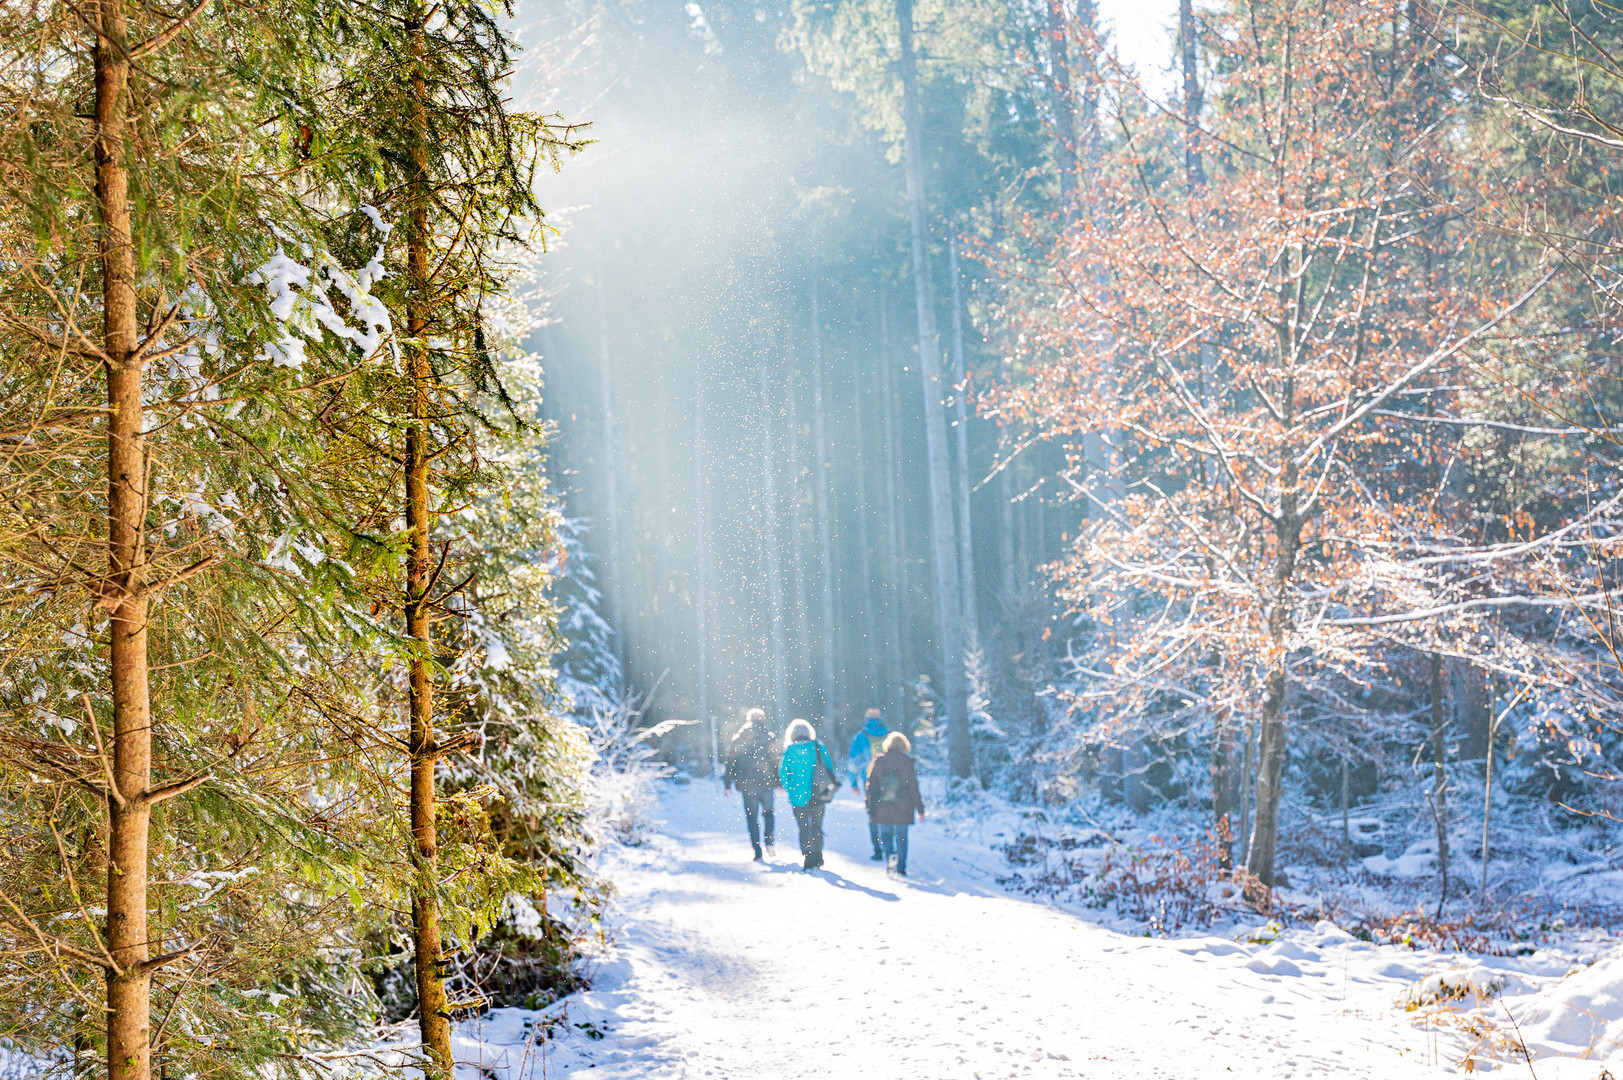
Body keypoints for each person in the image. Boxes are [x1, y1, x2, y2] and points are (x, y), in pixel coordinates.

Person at [778, 719, 838, 870]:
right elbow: (828, 767)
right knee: (817, 825)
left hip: (798, 796)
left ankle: (808, 854)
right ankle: (818, 854)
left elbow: (783, 773)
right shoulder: (818, 746)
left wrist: (789, 788)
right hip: (817, 793)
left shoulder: (789, 750)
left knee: (804, 826)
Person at [864, 731, 925, 876]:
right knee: (901, 837)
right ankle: (901, 867)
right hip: (903, 807)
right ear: (905, 746)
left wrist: (869, 804)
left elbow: (871, 785)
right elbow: (913, 788)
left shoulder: (879, 761)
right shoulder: (906, 762)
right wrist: (920, 809)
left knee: (885, 834)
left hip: (882, 806)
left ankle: (890, 856)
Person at [723, 707, 778, 861]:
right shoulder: (769, 737)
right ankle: (769, 841)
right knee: (768, 814)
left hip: (748, 785)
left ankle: (757, 850)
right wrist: (779, 781)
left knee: (751, 818)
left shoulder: (739, 738)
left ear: (748, 720)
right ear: (763, 719)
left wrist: (727, 783)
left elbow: (731, 762)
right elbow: (776, 761)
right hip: (767, 783)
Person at [847, 707, 890, 861]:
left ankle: (878, 850)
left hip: (870, 779)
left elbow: (854, 762)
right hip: (889, 779)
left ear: (866, 719)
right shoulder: (888, 735)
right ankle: (890, 848)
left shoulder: (860, 736)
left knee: (873, 813)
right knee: (888, 811)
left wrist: (853, 783)